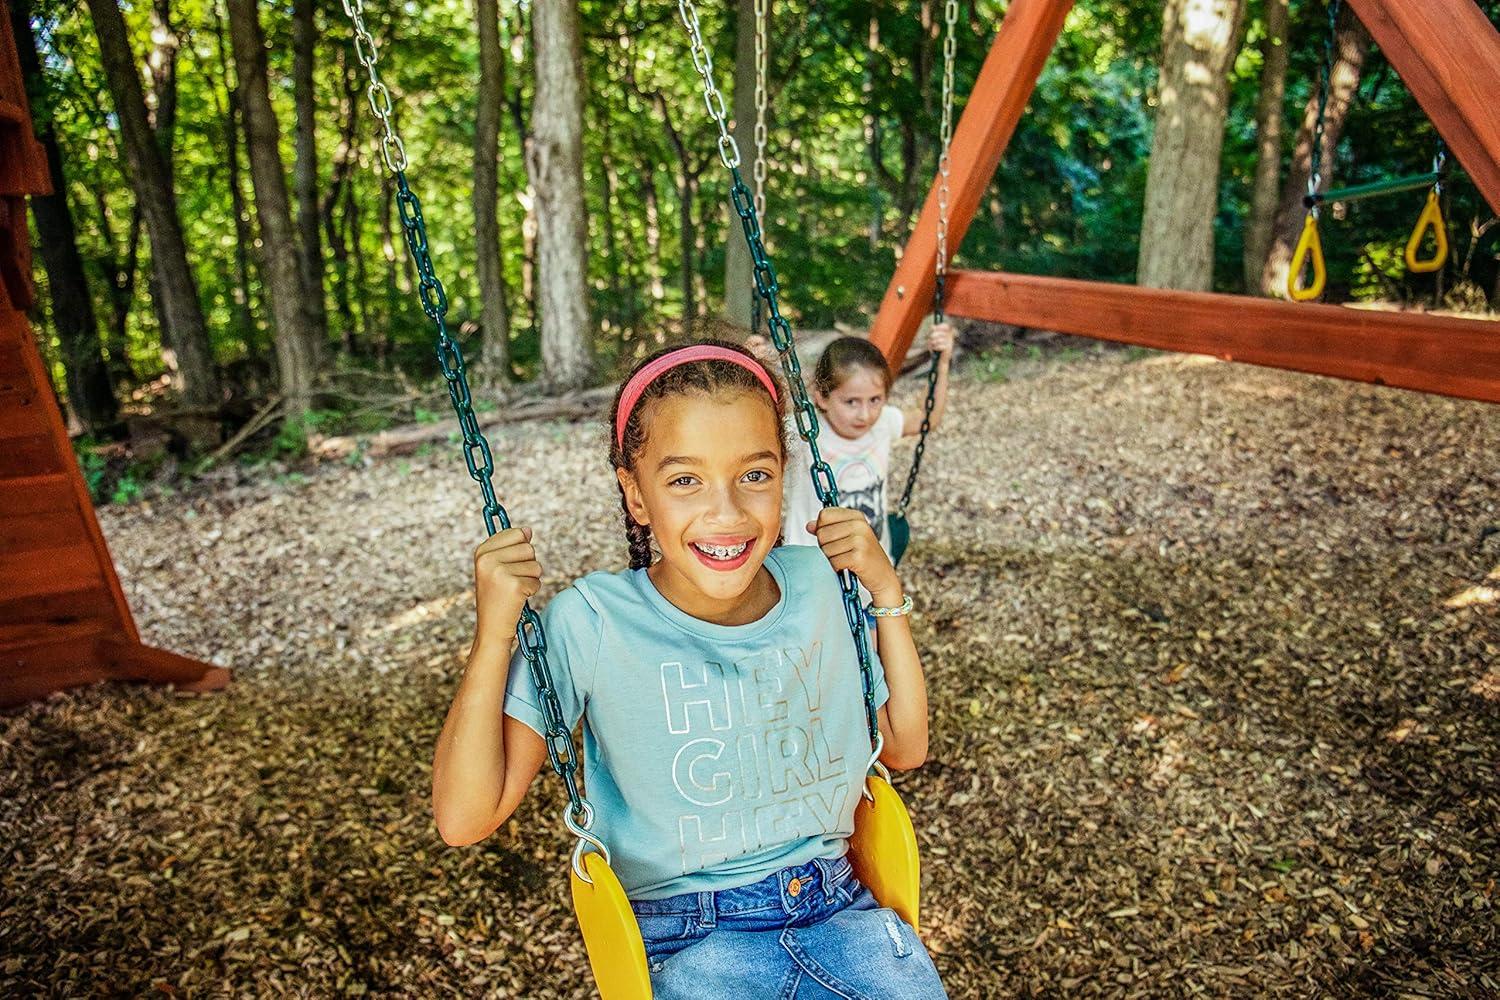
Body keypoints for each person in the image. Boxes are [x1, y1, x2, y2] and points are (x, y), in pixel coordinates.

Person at [431, 341, 946, 999]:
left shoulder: (823, 586)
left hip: (844, 916)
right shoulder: (593, 621)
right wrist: (494, 634)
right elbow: (463, 817)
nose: (726, 513)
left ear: (785, 474)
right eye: (683, 481)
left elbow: (905, 746)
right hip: (690, 942)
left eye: (754, 475)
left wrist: (885, 592)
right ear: (636, 496)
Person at [755, 323, 954, 565]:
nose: (865, 414)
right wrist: (756, 371)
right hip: (813, 566)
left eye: (875, 400)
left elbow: (927, 418)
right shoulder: (805, 431)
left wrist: (941, 364)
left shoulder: (883, 422)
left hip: (871, 563)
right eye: (851, 402)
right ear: (822, 397)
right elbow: (756, 428)